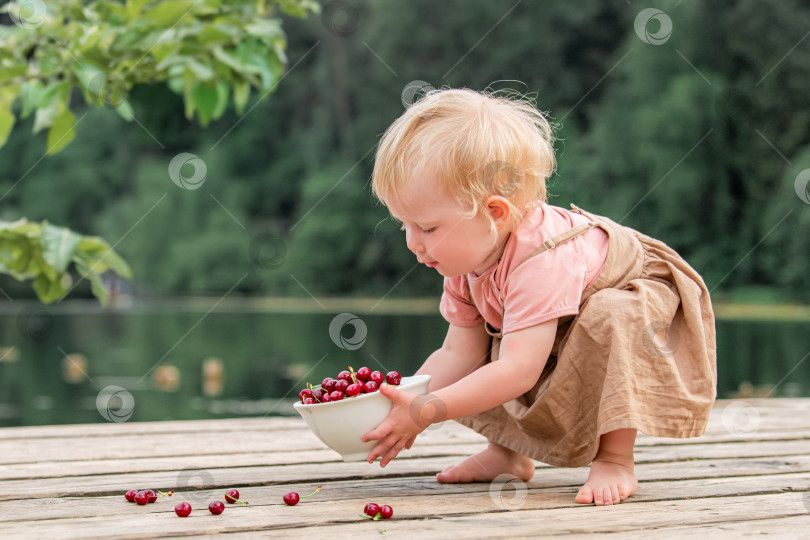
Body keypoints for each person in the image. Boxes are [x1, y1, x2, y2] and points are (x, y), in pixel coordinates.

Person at [361, 88, 717, 506]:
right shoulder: (467, 257)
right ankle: (507, 454)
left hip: (628, 297)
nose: (412, 243)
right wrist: (406, 398)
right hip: (550, 312)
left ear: (494, 213)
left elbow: (518, 372)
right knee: (500, 336)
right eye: (404, 225)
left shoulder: (541, 256)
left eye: (427, 228)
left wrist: (427, 410)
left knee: (610, 318)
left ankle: (616, 458)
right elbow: (459, 353)